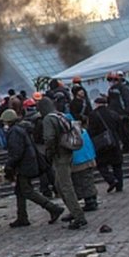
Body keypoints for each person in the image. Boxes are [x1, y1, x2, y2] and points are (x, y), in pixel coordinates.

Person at [0, 108, 63, 227]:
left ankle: (53, 208)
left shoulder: (14, 132)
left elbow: (16, 153)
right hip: (27, 163)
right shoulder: (20, 129)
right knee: (19, 192)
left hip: (24, 166)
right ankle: (22, 217)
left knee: (27, 191)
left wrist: (9, 166)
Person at [37, 96, 89, 229]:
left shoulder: (48, 119)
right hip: (68, 151)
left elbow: (49, 138)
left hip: (60, 155)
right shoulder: (60, 115)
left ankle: (78, 216)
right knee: (59, 185)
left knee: (65, 186)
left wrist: (49, 151)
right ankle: (73, 210)